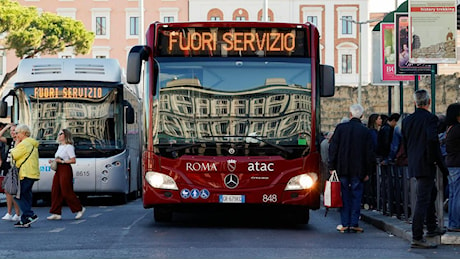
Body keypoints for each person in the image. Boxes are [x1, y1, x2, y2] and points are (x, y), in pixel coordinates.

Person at [402, 89, 448, 248]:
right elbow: (432, 142)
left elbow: (406, 142)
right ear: (428, 102)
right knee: (423, 199)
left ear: (415, 102)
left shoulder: (407, 120)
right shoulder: (430, 119)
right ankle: (417, 235)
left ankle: (431, 226)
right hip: (426, 163)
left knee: (430, 193)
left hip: (415, 162)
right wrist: (440, 165)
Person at [328, 104, 375, 233]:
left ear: (350, 115)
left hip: (342, 169)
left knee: (344, 196)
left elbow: (333, 149)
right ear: (362, 116)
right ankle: (354, 223)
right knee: (357, 195)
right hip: (359, 170)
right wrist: (368, 172)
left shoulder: (341, 128)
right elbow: (369, 154)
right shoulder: (365, 131)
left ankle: (345, 223)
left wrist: (331, 166)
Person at [47, 129, 85, 220]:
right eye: (59, 134)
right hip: (58, 169)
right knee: (55, 190)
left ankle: (79, 208)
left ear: (65, 135)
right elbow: (59, 158)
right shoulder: (60, 146)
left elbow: (73, 160)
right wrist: (53, 161)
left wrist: (63, 161)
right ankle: (56, 212)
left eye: (61, 134)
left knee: (66, 190)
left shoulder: (69, 147)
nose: (59, 135)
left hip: (65, 168)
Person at [11, 124, 40, 228]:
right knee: (26, 195)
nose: (16, 135)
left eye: (17, 133)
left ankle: (30, 215)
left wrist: (16, 144)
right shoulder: (31, 143)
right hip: (32, 173)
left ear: (23, 133)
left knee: (17, 195)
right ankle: (25, 220)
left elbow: (13, 155)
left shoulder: (24, 144)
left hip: (25, 173)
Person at [0, 123, 20, 221]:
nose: (12, 132)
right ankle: (9, 213)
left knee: (13, 191)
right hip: (7, 167)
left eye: (14, 130)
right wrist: (6, 128)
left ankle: (17, 213)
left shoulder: (20, 142)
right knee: (7, 191)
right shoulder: (11, 141)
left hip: (15, 168)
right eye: (11, 131)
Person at [445, 103, 460, 232]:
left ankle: (452, 222)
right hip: (457, 164)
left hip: (451, 164)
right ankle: (455, 223)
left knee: (453, 194)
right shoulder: (458, 129)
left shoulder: (450, 129)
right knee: (457, 195)